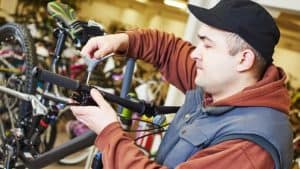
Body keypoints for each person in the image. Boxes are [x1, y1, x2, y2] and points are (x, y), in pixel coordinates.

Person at [70, 0, 293, 169]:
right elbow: (167, 49)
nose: (195, 53)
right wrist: (122, 40)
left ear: (243, 60)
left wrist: (110, 133)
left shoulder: (249, 147)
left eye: (207, 45)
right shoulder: (222, 85)